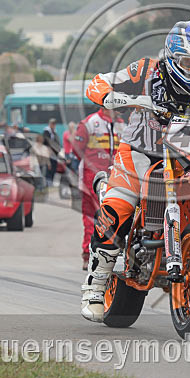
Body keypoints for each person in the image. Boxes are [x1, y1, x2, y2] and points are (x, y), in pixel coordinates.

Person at [80, 19, 190, 322]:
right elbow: (100, 81)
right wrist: (108, 96)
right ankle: (95, 287)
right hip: (140, 151)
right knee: (117, 208)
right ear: (173, 58)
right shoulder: (146, 70)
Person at [73, 109, 124, 270]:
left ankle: (111, 254)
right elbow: (77, 148)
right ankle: (88, 255)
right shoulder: (90, 122)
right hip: (91, 178)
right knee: (91, 218)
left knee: (114, 217)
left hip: (117, 177)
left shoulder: (122, 125)